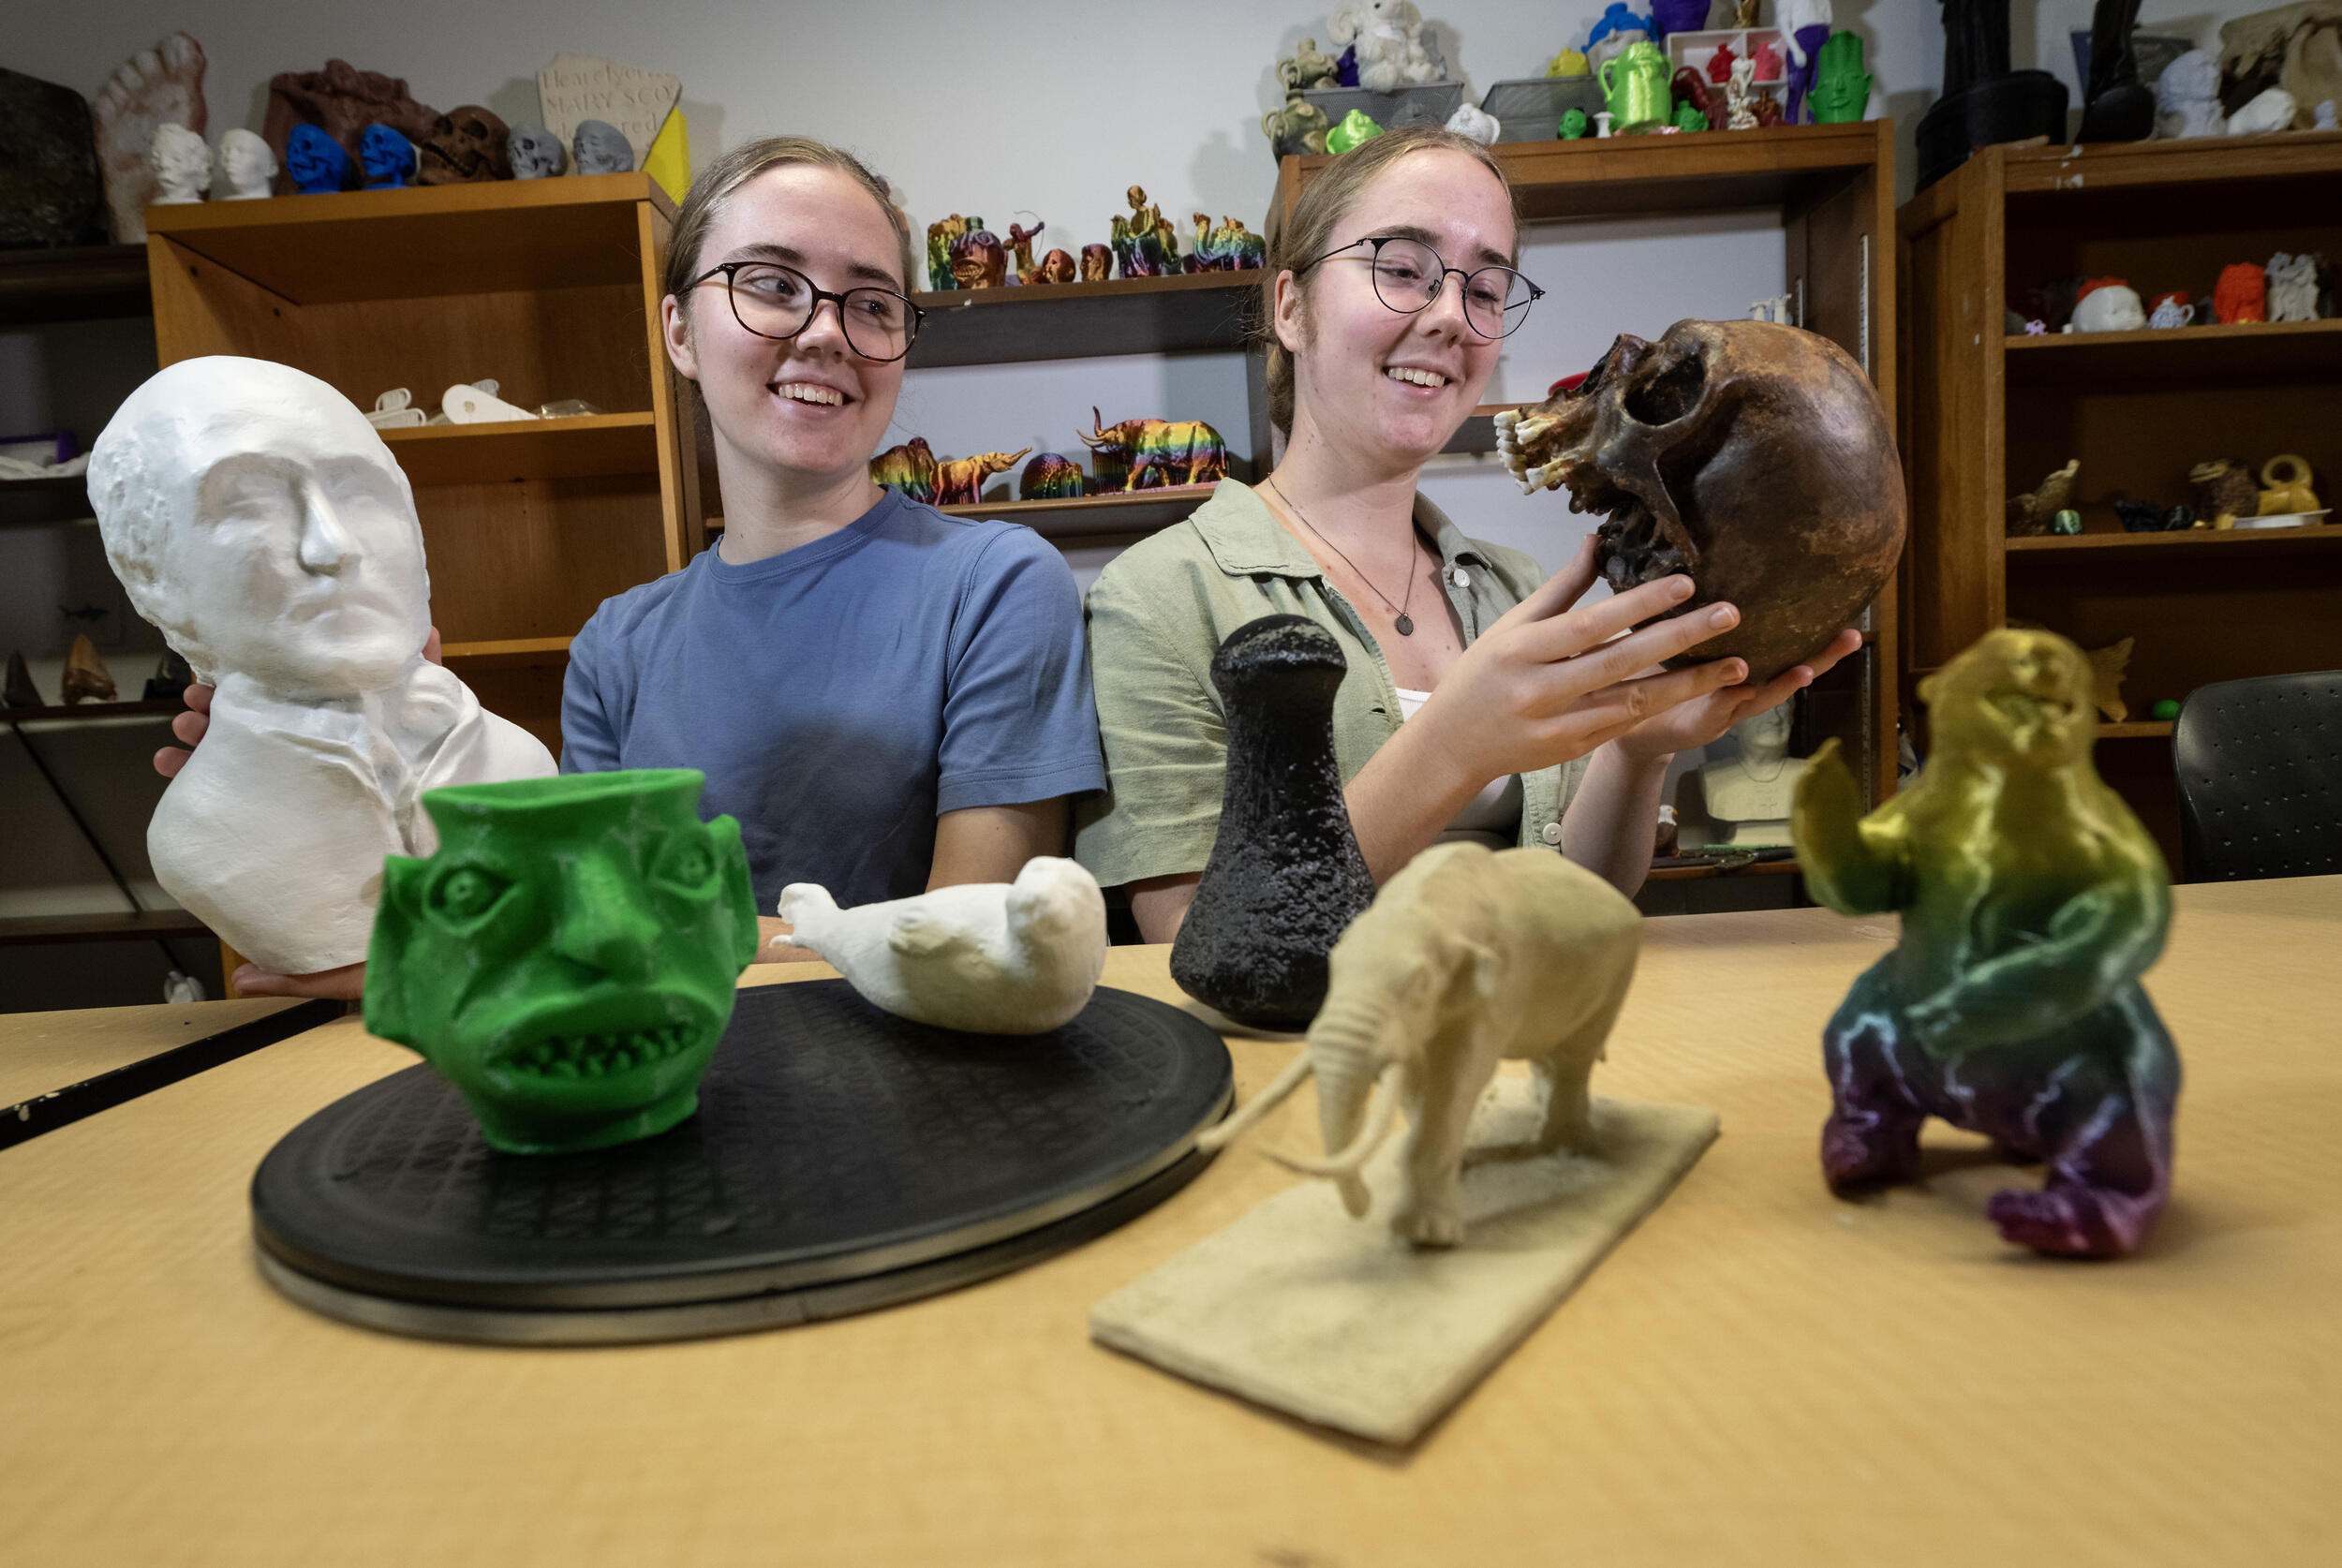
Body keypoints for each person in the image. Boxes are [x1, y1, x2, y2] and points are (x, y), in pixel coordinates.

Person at [160, 136, 1105, 994]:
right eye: (772, 284)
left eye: (870, 302)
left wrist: (554, 939)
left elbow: (967, 944)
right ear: (680, 333)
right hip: (653, 1089)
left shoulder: (996, 584)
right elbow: (582, 924)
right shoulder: (619, 643)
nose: (825, 331)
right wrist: (364, 757)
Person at [1075, 125, 1859, 941]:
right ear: (1292, 308)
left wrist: (1637, 751)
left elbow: (1579, 898)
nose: (1452, 314)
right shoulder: (1159, 598)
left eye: (1485, 289)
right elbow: (1194, 939)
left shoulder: (1515, 588)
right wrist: (1453, 747)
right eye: (1402, 269)